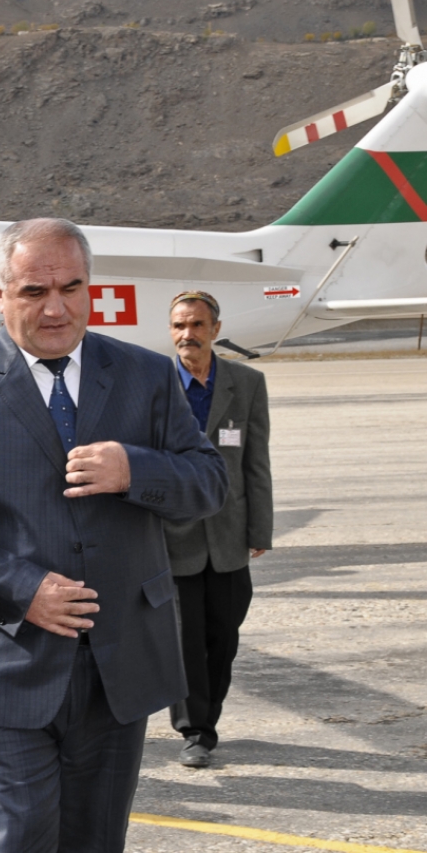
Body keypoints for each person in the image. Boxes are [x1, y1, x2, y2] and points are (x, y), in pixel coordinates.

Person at [0, 217, 228, 853]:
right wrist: (22, 589)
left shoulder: (149, 376)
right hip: (1, 661)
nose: (56, 308)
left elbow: (209, 485)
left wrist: (137, 470)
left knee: (95, 840)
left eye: (71, 288)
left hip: (120, 665)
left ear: (90, 288)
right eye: (33, 292)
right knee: (17, 837)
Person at [164, 290, 272, 769]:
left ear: (215, 329)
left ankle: (208, 718)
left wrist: (260, 529)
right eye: (179, 326)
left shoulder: (246, 383)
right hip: (174, 536)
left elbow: (256, 462)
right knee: (185, 639)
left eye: (197, 325)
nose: (188, 334)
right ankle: (195, 730)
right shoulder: (155, 384)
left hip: (229, 535)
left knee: (223, 637)